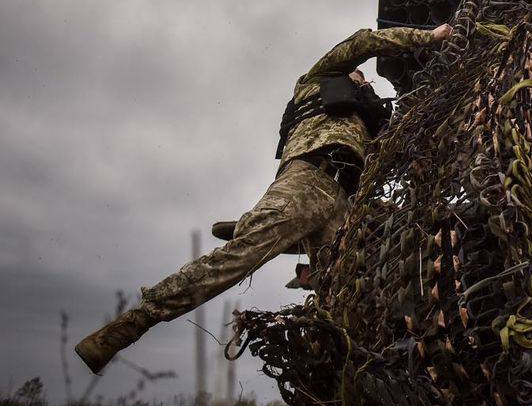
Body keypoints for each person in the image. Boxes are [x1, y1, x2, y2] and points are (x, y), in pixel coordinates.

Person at [75, 23, 450, 374]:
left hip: (344, 203)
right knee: (239, 257)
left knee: (343, 302)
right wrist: (428, 38)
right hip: (310, 177)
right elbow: (363, 42)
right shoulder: (318, 80)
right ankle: (129, 325)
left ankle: (343, 386)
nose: (363, 79)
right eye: (358, 75)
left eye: (365, 80)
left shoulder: (365, 119)